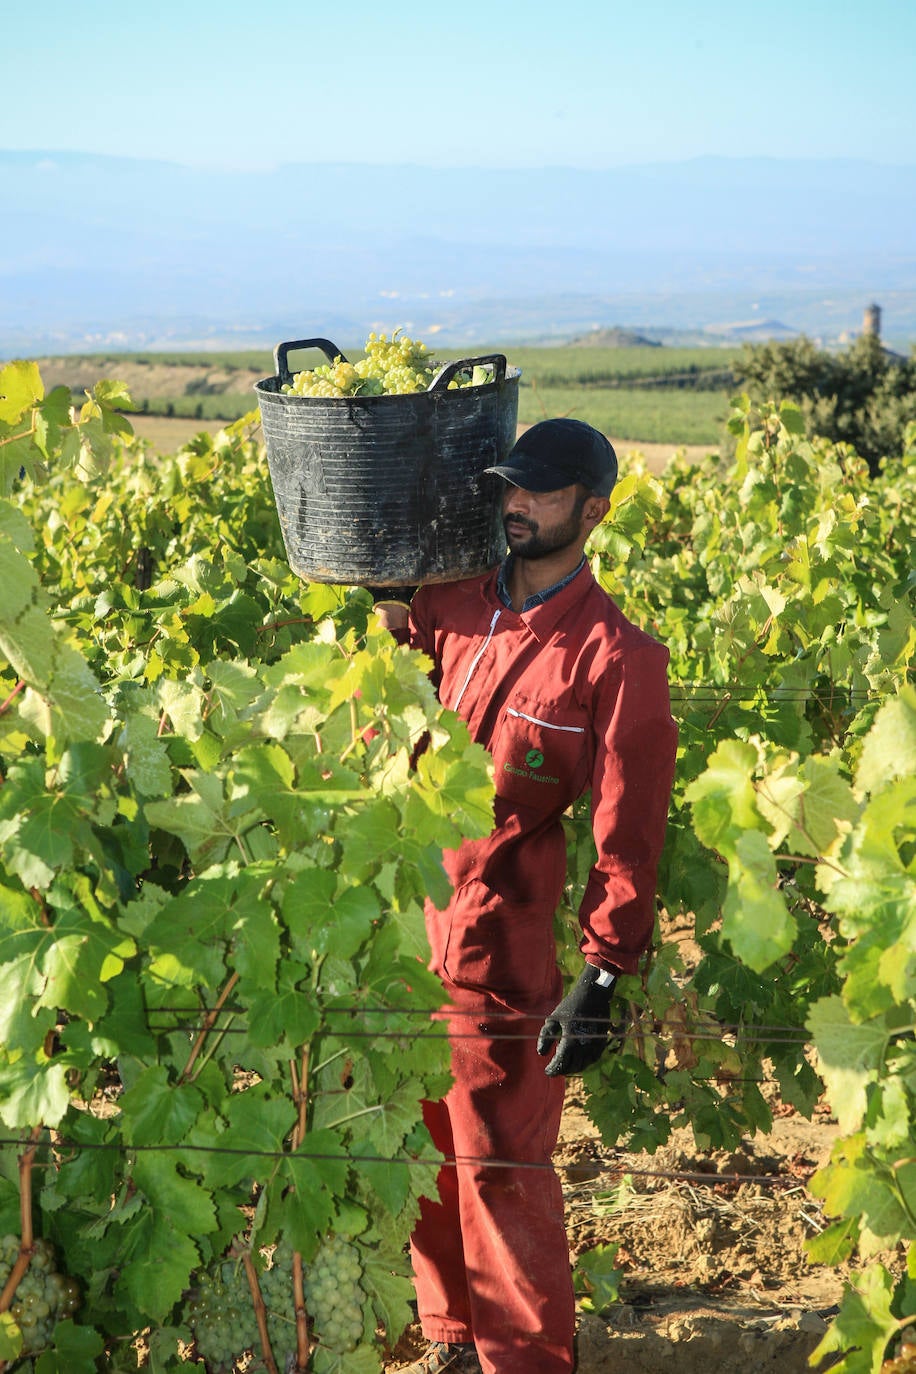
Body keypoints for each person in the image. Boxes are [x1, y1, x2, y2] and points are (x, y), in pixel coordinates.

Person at [373, 418, 678, 1374]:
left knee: (500, 1173)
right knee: (416, 1162)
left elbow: (628, 824)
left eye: (541, 494)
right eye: (510, 488)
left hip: (498, 952)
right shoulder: (452, 602)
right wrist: (387, 622)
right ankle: (454, 1344)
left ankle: (528, 1364)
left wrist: (606, 969)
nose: (517, 506)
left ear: (593, 512)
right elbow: (386, 700)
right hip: (392, 932)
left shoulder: (616, 655)